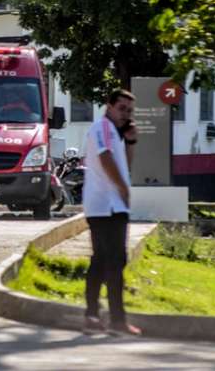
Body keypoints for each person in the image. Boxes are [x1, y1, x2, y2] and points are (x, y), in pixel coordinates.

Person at [81, 88, 141, 336]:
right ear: (109, 105)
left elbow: (124, 163)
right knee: (114, 261)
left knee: (104, 260)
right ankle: (116, 319)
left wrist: (130, 141)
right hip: (105, 204)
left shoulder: (115, 133)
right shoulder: (102, 127)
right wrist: (124, 189)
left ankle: (92, 314)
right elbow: (105, 160)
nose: (125, 114)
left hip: (111, 205)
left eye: (129, 110)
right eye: (121, 108)